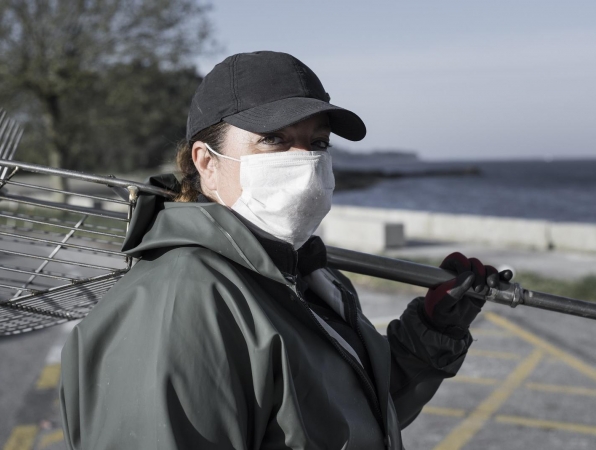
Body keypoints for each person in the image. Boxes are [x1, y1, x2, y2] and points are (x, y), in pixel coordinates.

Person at [59, 51, 509, 450]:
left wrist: (432, 333)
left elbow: (348, 417)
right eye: (274, 139)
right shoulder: (182, 304)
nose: (306, 163)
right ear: (206, 164)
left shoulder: (311, 276)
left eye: (318, 143)